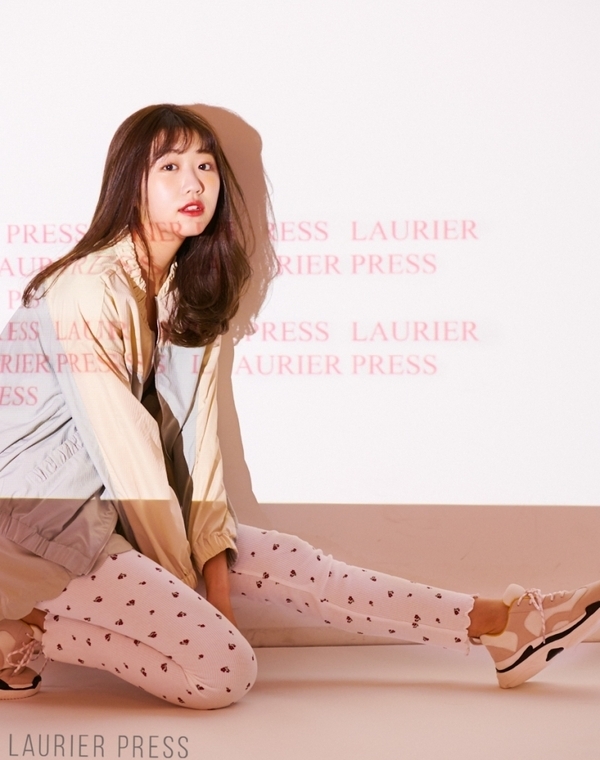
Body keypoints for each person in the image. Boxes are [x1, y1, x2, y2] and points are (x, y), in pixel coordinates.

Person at [1, 104, 599, 708]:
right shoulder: (88, 289)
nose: (194, 184)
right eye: (171, 167)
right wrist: (186, 589)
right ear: (130, 182)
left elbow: (200, 460)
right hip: (35, 526)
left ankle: (503, 627)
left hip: (114, 513)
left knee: (295, 562)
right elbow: (126, 455)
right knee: (223, 671)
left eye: (205, 166)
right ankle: (19, 629)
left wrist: (215, 582)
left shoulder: (187, 295)